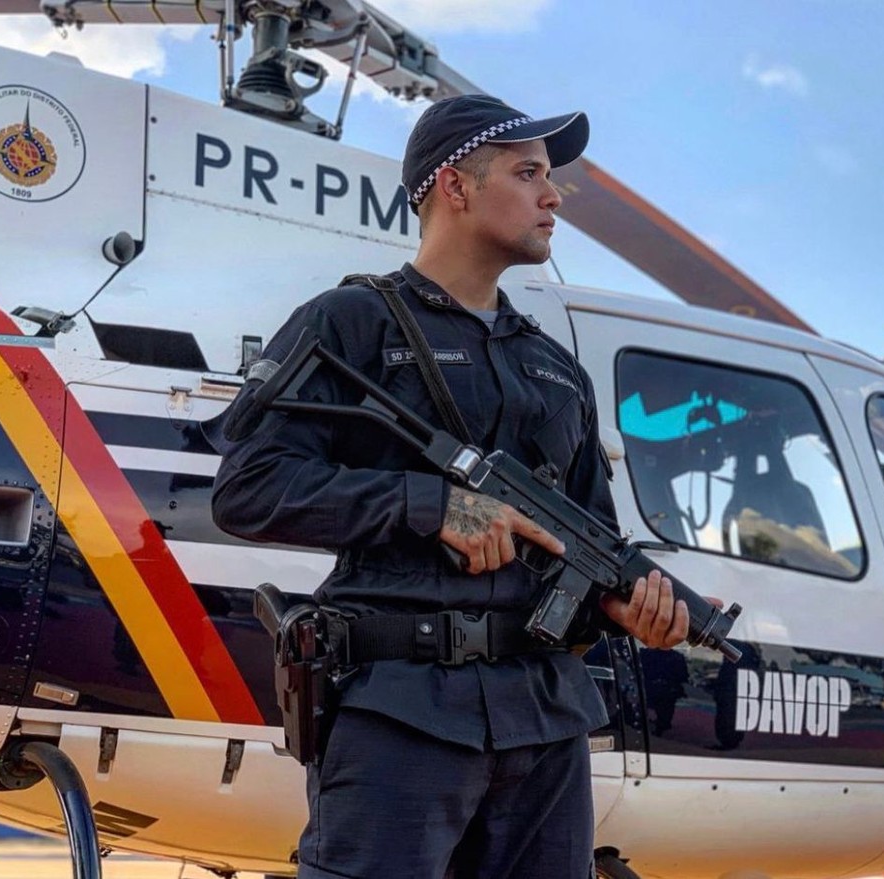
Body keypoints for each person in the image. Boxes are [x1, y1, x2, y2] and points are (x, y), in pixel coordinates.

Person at [213, 94, 694, 879]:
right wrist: (429, 505)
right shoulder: (349, 324)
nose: (553, 196)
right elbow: (249, 487)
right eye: (528, 173)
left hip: (545, 729)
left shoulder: (556, 370)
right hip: (401, 716)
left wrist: (629, 606)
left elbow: (586, 541)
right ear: (455, 186)